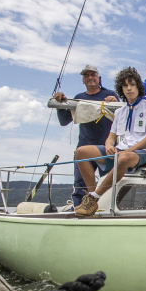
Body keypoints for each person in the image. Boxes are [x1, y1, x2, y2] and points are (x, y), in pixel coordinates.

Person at [73, 67, 146, 217]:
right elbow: (111, 137)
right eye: (125, 85)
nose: (129, 88)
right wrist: (108, 145)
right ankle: (90, 197)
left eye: (132, 84)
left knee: (123, 157)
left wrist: (128, 150)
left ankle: (95, 197)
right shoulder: (120, 111)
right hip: (121, 151)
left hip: (143, 152)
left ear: (138, 87)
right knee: (81, 152)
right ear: (121, 88)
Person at [53, 65, 119, 207]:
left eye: (93, 74)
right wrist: (61, 103)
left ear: (99, 78)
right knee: (80, 185)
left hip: (106, 148)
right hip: (84, 147)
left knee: (107, 183)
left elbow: (123, 117)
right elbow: (64, 121)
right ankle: (79, 210)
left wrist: (115, 103)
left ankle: (106, 210)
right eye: (86, 75)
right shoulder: (79, 98)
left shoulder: (110, 95)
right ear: (83, 80)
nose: (90, 78)